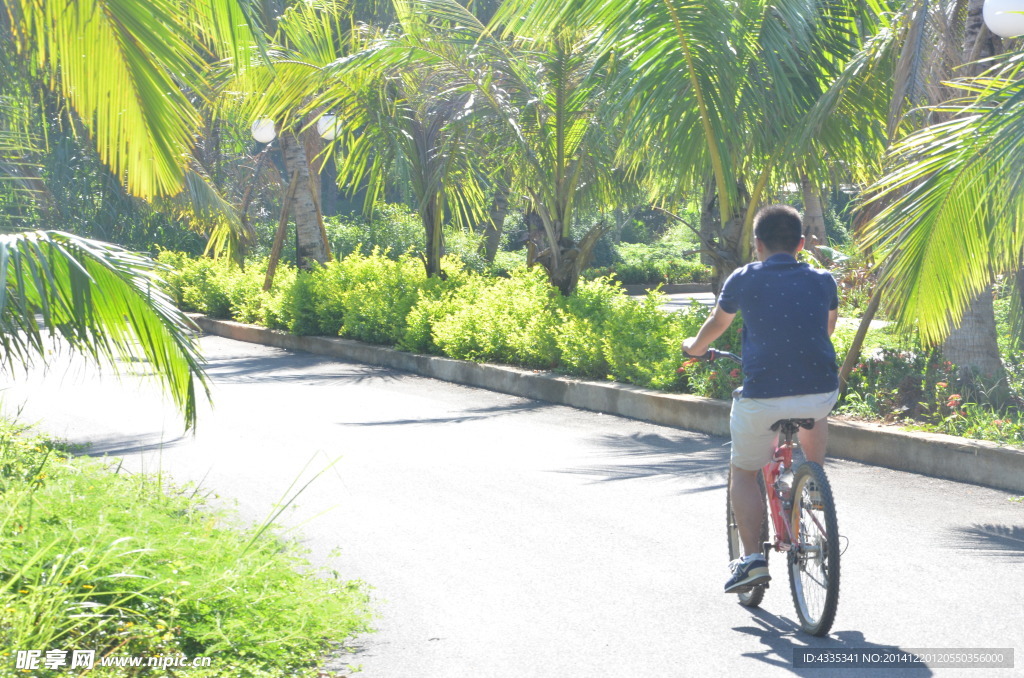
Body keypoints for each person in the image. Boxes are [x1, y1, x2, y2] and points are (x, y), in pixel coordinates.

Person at [682, 204, 839, 594]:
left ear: (757, 245)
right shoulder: (823, 279)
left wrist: (693, 348)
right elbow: (827, 328)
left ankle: (752, 559)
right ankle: (812, 480)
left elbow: (717, 325)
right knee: (814, 406)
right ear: (802, 244)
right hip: (820, 392)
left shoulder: (743, 278)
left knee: (743, 471)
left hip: (763, 396)